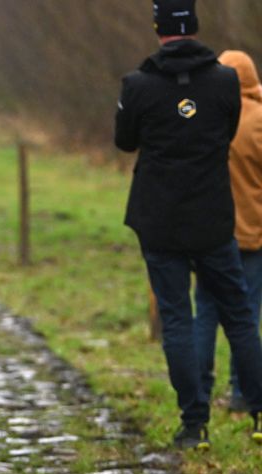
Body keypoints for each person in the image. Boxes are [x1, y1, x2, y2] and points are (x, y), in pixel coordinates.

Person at [115, 0, 262, 450]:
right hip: (214, 219)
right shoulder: (225, 81)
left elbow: (124, 142)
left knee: (178, 319)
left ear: (158, 27)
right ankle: (259, 412)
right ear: (195, 26)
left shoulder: (137, 85)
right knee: (239, 316)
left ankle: (193, 424)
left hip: (160, 221)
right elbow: (226, 128)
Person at [194, 50, 262, 414]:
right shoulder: (259, 121)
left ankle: (200, 393)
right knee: (247, 315)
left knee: (204, 312)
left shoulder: (206, 117)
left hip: (210, 234)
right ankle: (243, 393)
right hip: (253, 234)